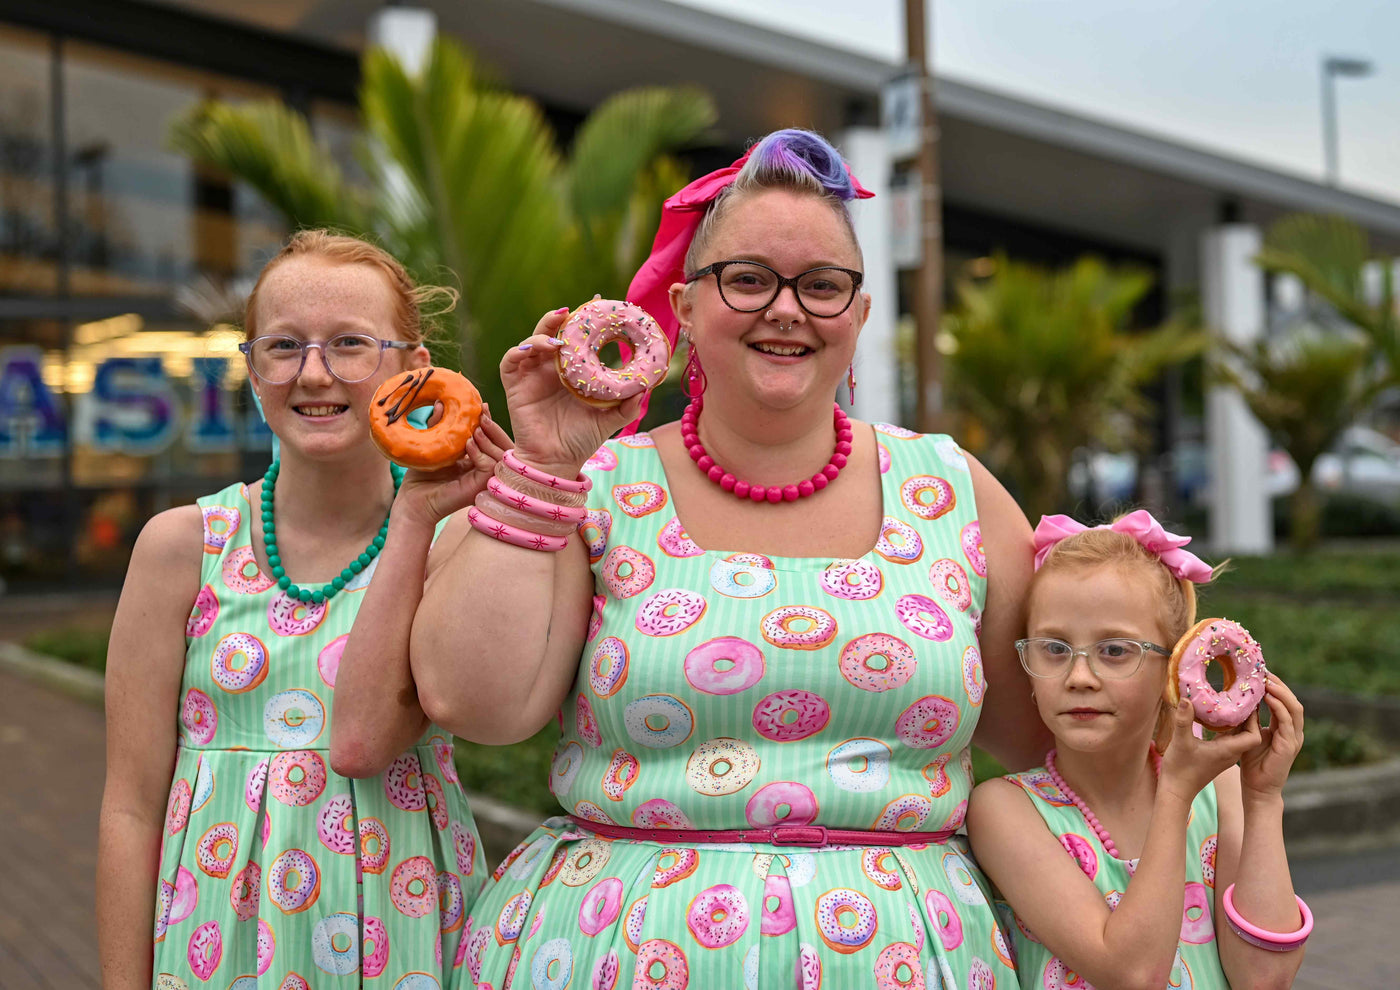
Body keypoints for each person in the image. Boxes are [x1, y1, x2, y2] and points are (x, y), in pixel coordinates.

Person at [408, 129, 1049, 987]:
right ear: (686, 306)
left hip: (910, 957)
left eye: (823, 286)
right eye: (747, 279)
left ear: (859, 316)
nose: (786, 309)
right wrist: (544, 465)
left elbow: (1053, 739)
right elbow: (472, 703)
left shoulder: (954, 490)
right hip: (611, 953)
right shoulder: (591, 485)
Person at [97, 230, 504, 989]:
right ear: (253, 370)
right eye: (284, 347)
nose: (313, 374)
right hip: (218, 938)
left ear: (415, 369)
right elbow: (130, 808)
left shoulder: (455, 541)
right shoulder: (182, 548)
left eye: (350, 343)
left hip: (407, 928)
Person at [967, 512, 1309, 989]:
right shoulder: (1006, 810)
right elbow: (1132, 974)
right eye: (1054, 648)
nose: (1079, 676)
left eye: (1115, 651)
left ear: (1175, 665)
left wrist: (1264, 799)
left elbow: (1265, 977)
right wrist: (1175, 794)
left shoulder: (1221, 791)